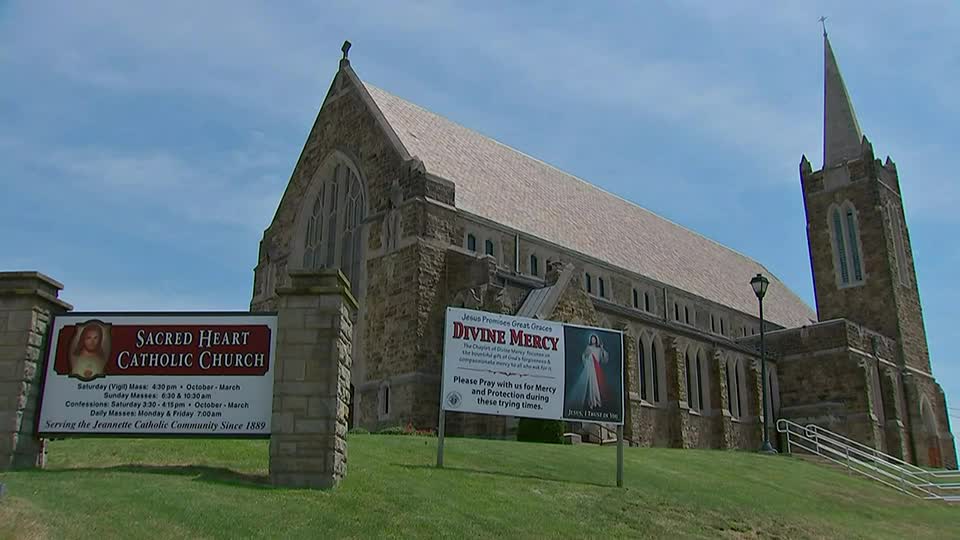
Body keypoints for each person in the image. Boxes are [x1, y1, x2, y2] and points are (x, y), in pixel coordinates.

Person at [568, 333, 609, 411]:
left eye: (594, 339)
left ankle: (597, 401)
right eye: (592, 339)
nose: (593, 340)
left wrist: (602, 349)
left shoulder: (599, 349)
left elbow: (604, 359)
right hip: (590, 368)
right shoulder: (588, 347)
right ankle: (591, 402)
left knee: (597, 385)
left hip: (597, 368)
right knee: (591, 385)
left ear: (596, 340)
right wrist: (586, 355)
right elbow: (584, 357)